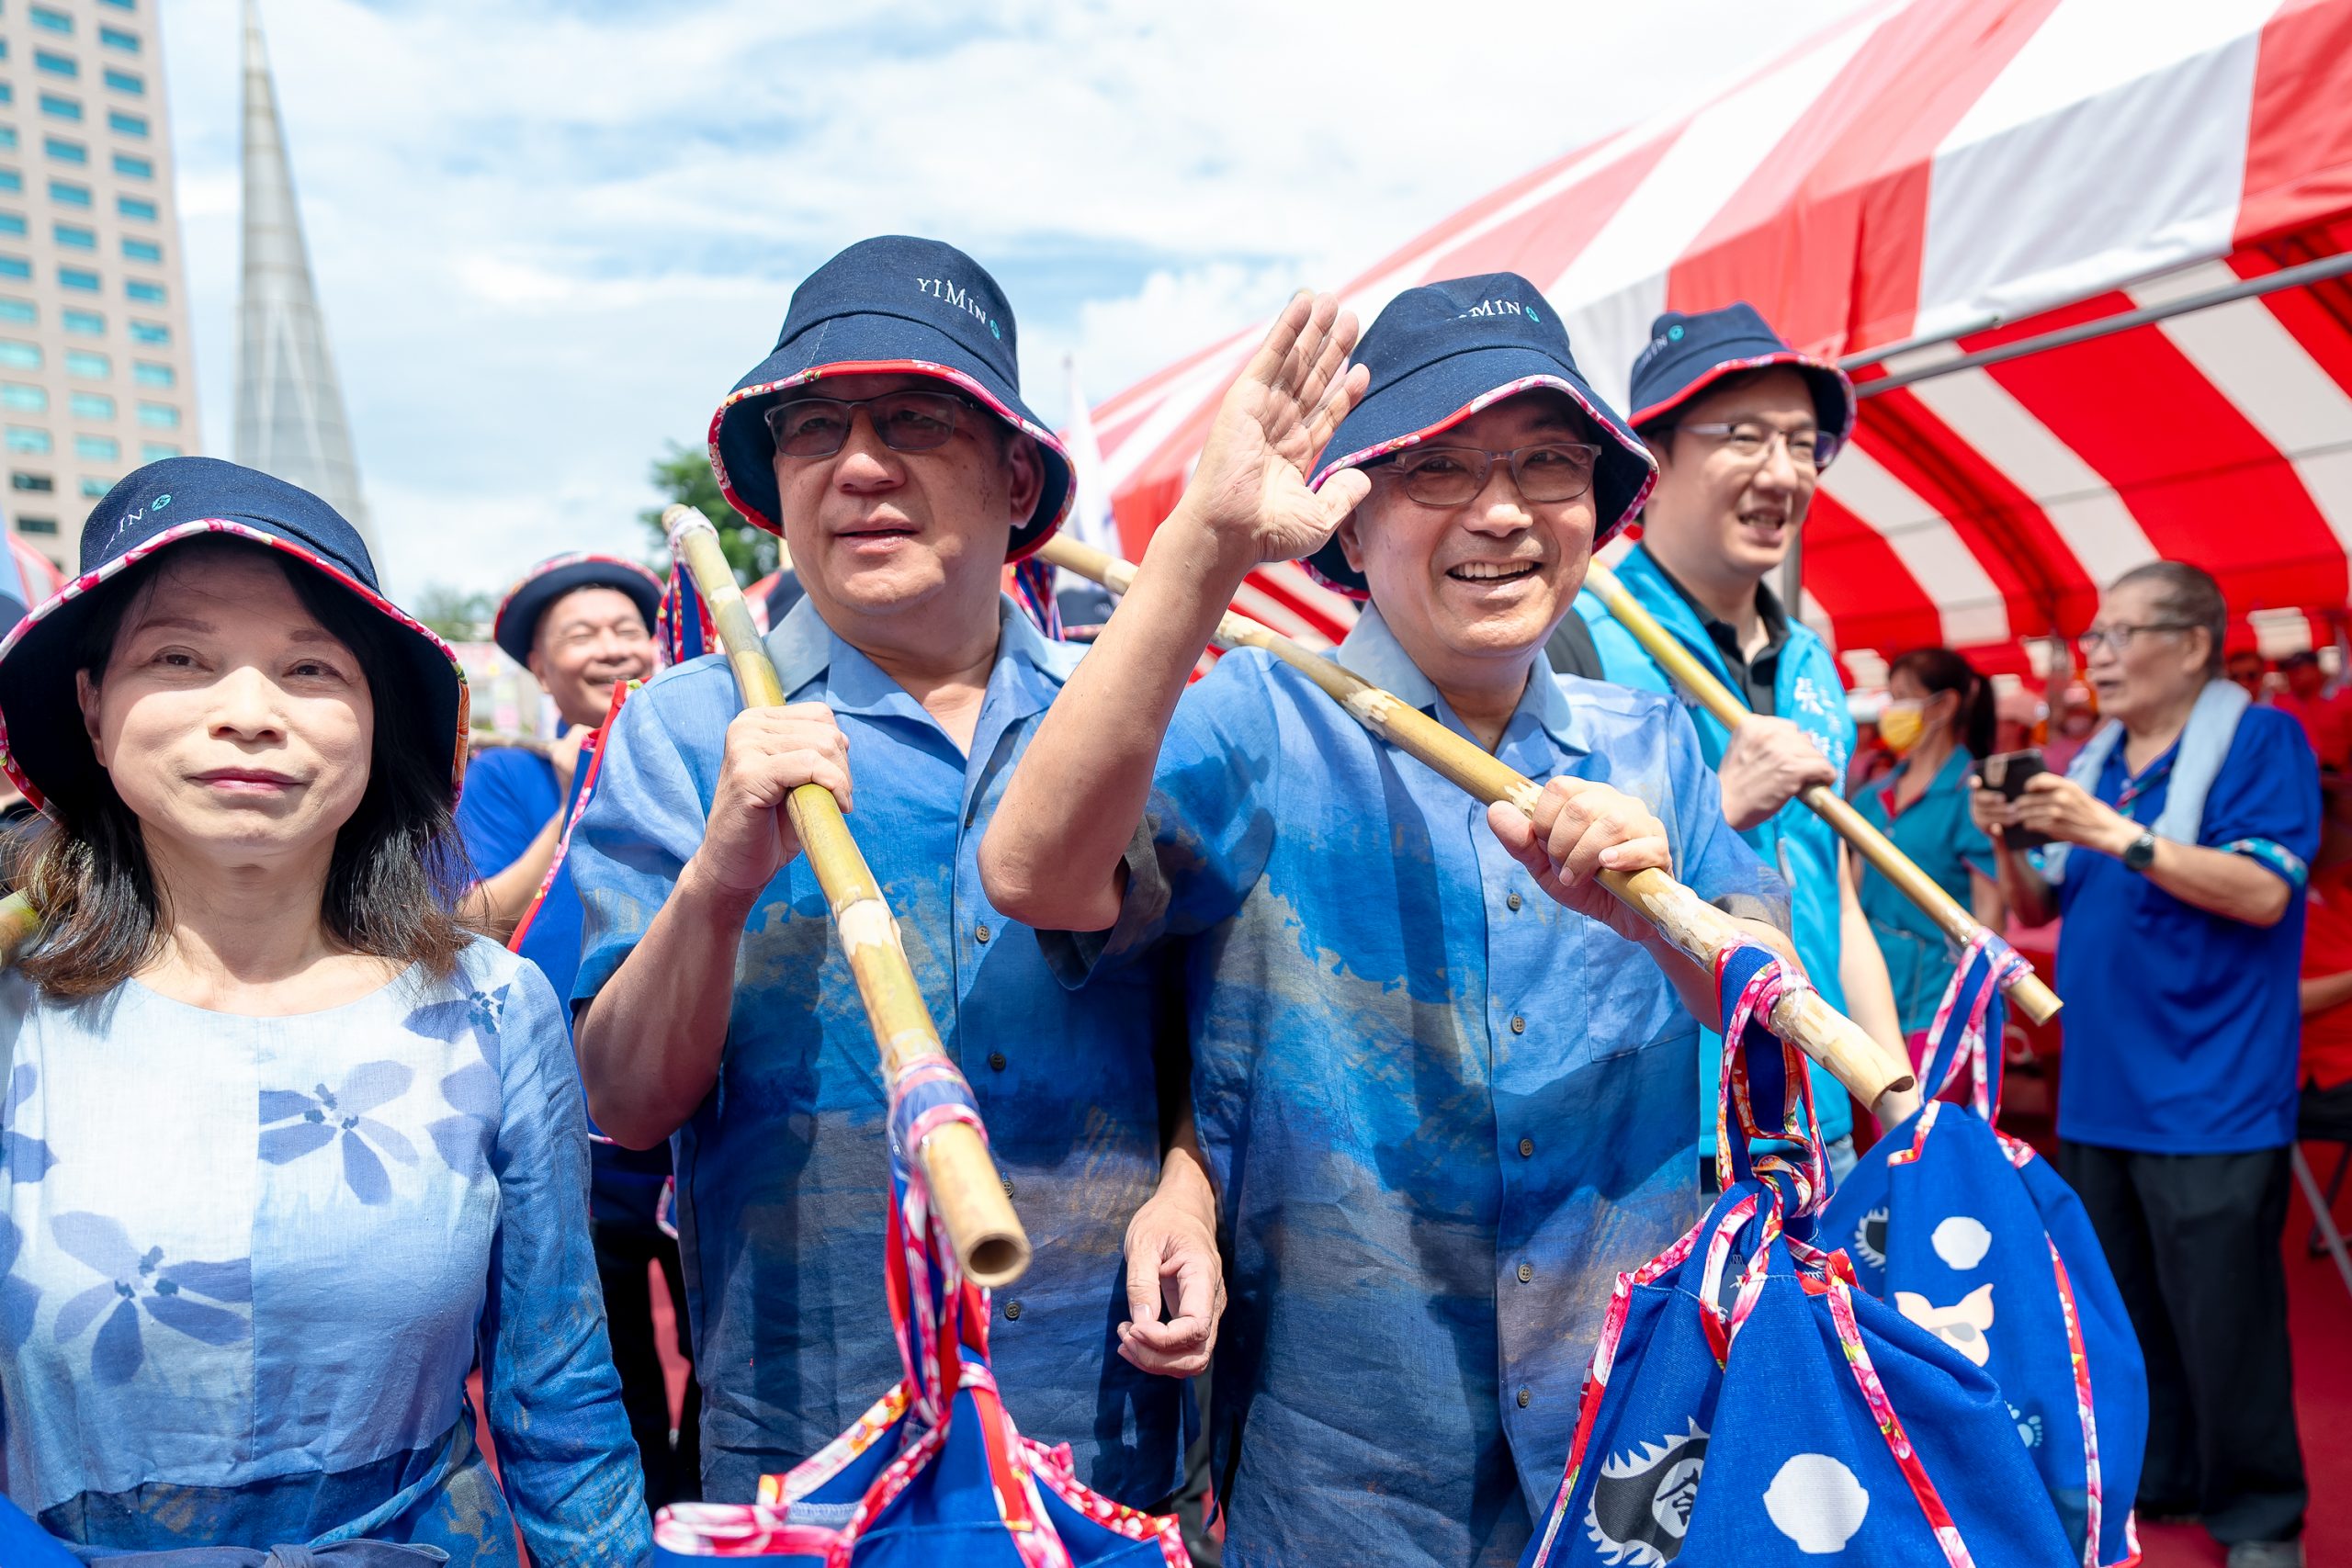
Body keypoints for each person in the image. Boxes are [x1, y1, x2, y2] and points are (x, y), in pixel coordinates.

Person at [981, 277, 1796, 1568]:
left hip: (1629, 1421)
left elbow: (1774, 1000)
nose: (1503, 510)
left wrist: (1665, 922)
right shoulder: (1264, 718)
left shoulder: (1648, 745)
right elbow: (1035, 872)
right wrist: (1202, 538)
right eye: (1438, 469)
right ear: (1350, 529)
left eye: (1546, 463)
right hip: (1347, 1449)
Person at [566, 237, 1206, 1508]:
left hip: (1112, 1417)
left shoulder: (1141, 717)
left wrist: (1188, 1180)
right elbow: (625, 1101)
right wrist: (718, 878)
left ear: (1019, 474)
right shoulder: (684, 733)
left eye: (915, 419)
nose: (860, 465)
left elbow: (1214, 1033)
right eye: (813, 427)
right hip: (816, 1434)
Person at [0, 458, 648, 1562]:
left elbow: (563, 1399)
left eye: (309, 668)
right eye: (179, 659)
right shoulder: (16, 1012)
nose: (248, 715)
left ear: (370, 720)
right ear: (92, 709)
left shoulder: (491, 1010)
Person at [1974, 560, 2314, 1568]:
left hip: (2211, 1091)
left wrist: (2115, 836)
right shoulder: (2095, 759)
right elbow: (2040, 905)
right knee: (2118, 1313)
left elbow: (2261, 892)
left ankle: (2261, 1517)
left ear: (2194, 644)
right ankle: (2158, 1475)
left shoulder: (2258, 737)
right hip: (2100, 1088)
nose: (2099, 656)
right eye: (2094, 636)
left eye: (2122, 634)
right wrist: (2009, 844)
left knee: (2226, 1319)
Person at [1570, 302, 1902, 1177]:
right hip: (1664, 1143)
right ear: (1654, 452)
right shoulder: (1579, 636)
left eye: (1803, 443)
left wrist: (1898, 1099)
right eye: (1746, 435)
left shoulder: (1813, 662)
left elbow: (1837, 893)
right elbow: (1530, 908)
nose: (1783, 470)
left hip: (1817, 1115)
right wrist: (1719, 806)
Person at [457, 552, 701, 1508]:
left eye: (623, 628)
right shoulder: (507, 777)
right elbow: (471, 918)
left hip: (689, 1123)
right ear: (543, 673)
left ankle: (706, 1516)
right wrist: (572, 798)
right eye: (580, 637)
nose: (609, 649)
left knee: (717, 1349)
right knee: (598, 1368)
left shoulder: (703, 753)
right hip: (564, 1137)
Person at [1850, 647, 2004, 1047]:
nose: (1891, 710)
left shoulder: (1974, 796)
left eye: (1902, 697)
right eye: (1892, 697)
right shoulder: (1871, 797)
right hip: (1866, 996)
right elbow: (1849, 899)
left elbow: (1991, 916)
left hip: (1941, 1005)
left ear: (1944, 706)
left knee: (1929, 1111)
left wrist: (1980, 1005)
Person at [2273, 649, 2351, 774]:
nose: (2292, 674)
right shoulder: (2280, 704)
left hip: (2340, 781)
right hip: (2298, 778)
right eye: (2288, 671)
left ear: (2316, 669)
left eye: (2298, 669)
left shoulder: (2343, 698)